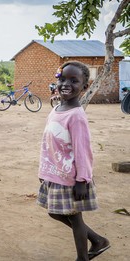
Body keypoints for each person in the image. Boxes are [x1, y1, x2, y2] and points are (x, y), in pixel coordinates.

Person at [37, 61, 110, 261]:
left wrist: (82, 179)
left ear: (84, 87)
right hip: (55, 174)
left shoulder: (77, 116)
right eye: (62, 79)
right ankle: (97, 240)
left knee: (75, 217)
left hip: (71, 177)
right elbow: (48, 143)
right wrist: (44, 172)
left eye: (73, 80)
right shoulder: (56, 109)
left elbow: (83, 150)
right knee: (55, 212)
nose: (65, 84)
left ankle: (82, 257)